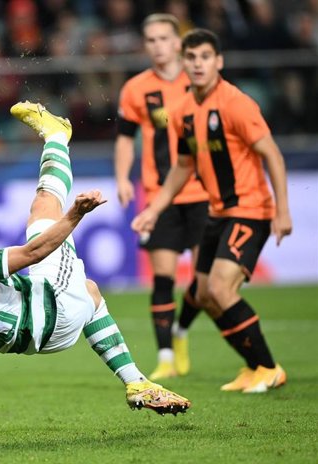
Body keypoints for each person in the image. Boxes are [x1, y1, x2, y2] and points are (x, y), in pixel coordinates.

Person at [0, 101, 191, 438]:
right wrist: (76, 214)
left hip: (34, 342)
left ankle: (136, 382)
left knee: (90, 292)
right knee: (43, 213)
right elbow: (35, 252)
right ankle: (56, 136)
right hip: (55, 313)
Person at [132, 29, 292, 393]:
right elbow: (182, 167)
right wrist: (154, 208)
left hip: (250, 210)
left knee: (220, 287)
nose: (198, 64)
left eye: (205, 57)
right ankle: (254, 367)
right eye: (192, 57)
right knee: (203, 293)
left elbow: (273, 156)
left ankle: (268, 367)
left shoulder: (237, 104)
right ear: (183, 61)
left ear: (218, 61)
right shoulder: (185, 110)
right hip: (217, 214)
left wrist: (282, 211)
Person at [114, 13, 209, 381]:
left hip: (204, 192)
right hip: (158, 195)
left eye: (163, 38)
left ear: (178, 43)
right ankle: (166, 356)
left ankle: (182, 331)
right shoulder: (136, 89)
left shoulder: (200, 80)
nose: (156, 46)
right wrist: (123, 177)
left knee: (202, 284)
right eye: (150, 39)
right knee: (164, 279)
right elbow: (125, 138)